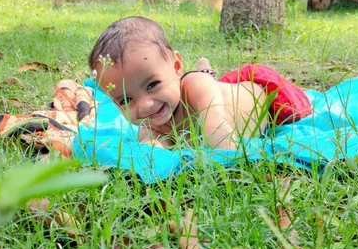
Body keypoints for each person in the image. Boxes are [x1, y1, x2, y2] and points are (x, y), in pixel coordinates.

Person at [89, 16, 268, 149]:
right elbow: (150, 155)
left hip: (252, 92)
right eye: (126, 100)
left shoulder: (197, 88)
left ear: (176, 66)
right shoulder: (152, 124)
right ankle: (205, 68)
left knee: (204, 80)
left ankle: (204, 70)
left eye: (152, 85)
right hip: (205, 89)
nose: (145, 106)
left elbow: (220, 137)